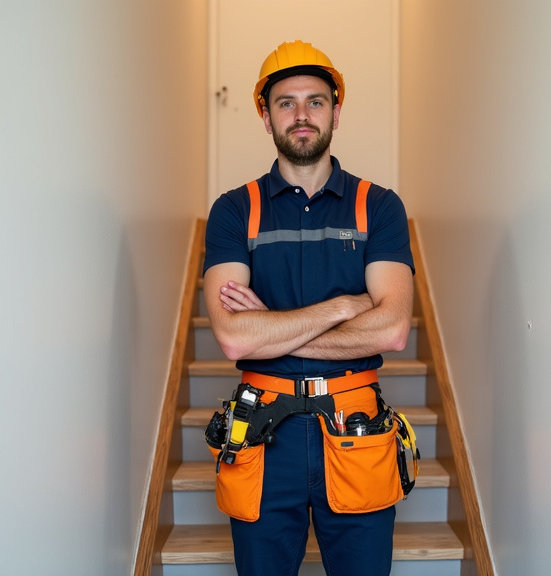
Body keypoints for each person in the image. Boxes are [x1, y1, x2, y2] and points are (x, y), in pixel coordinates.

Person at [202, 39, 415, 576]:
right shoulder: (233, 211)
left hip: (356, 428)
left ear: (336, 113)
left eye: (315, 101)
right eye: (285, 102)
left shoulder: (379, 206)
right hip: (262, 435)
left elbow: (391, 330)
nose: (301, 115)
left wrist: (270, 327)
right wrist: (344, 305)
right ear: (265, 114)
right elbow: (233, 339)